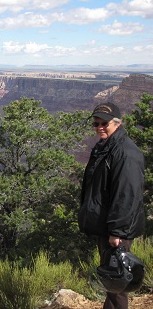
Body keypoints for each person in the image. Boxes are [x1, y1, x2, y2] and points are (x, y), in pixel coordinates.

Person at [78, 102, 145, 309]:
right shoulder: (106, 147)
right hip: (107, 225)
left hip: (117, 229)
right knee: (112, 279)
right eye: (95, 123)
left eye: (104, 123)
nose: (99, 127)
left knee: (117, 282)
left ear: (117, 123)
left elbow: (127, 196)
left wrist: (117, 231)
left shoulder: (126, 153)